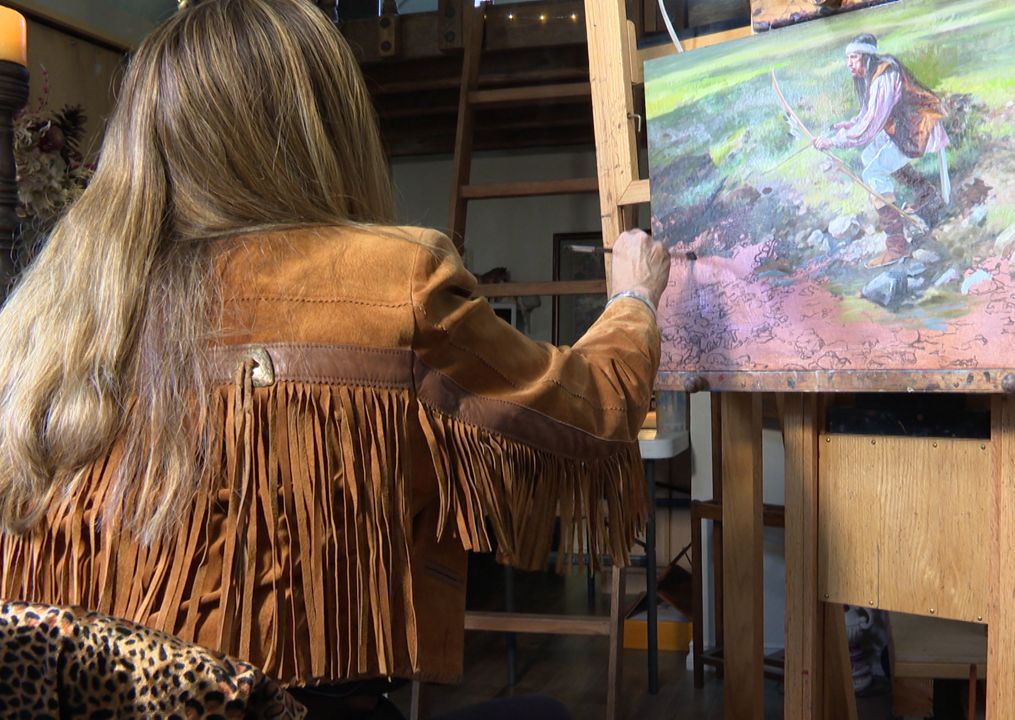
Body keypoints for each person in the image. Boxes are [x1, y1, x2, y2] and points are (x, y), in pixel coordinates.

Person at [0, 0, 670, 717]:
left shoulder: (42, 316)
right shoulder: (395, 282)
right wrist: (634, 297)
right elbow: (587, 414)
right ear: (320, 123)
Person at [815, 33, 950, 268]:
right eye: (848, 58)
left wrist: (834, 142)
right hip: (906, 127)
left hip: (919, 129)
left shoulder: (883, 77)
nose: (849, 63)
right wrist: (849, 125)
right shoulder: (874, 73)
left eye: (854, 57)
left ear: (866, 57)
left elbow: (870, 126)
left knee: (872, 173)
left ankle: (897, 246)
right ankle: (926, 193)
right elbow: (868, 114)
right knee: (869, 156)